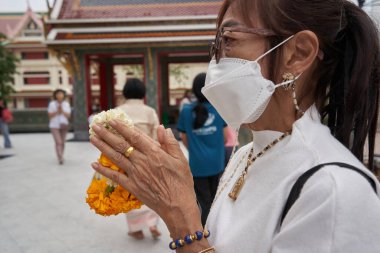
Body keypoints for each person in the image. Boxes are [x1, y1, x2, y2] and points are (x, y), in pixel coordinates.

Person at [89, 0, 380, 252]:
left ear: (298, 53)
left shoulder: (334, 190)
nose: (216, 61)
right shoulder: (245, 154)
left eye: (229, 40)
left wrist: (183, 219)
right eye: (216, 45)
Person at [177, 73, 227, 226]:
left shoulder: (186, 111)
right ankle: (219, 230)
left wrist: (196, 150)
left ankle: (206, 233)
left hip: (198, 166)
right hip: (217, 163)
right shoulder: (219, 108)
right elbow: (225, 138)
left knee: (204, 203)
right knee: (217, 200)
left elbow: (184, 138)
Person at [117, 78, 161, 240]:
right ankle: (152, 224)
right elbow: (157, 134)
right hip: (147, 156)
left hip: (126, 157)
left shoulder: (117, 111)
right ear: (143, 93)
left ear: (125, 93)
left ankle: (136, 229)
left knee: (130, 192)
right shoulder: (149, 111)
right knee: (151, 190)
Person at [48, 89, 71, 165]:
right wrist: (57, 111)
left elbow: (68, 115)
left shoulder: (66, 104)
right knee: (58, 142)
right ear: (55, 95)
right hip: (54, 125)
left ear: (64, 95)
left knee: (63, 142)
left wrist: (62, 111)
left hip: (64, 124)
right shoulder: (52, 104)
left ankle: (61, 155)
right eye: (58, 94)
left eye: (61, 94)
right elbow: (50, 115)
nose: (60, 95)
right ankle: (60, 157)